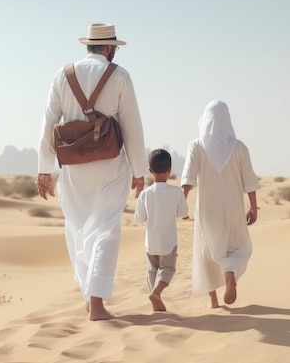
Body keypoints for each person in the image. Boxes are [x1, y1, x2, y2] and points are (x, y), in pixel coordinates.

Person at [36, 23, 147, 321]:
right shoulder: (120, 76)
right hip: (110, 163)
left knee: (77, 228)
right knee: (106, 230)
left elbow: (48, 121)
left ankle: (88, 296)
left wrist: (44, 169)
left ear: (89, 45)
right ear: (109, 48)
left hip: (72, 166)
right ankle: (96, 303)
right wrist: (139, 169)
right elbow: (132, 125)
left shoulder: (63, 74)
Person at [180, 100, 260, 308]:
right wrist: (253, 207)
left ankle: (213, 300)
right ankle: (231, 271)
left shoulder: (196, 146)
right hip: (234, 208)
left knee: (207, 251)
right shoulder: (239, 147)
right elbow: (250, 180)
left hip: (207, 209)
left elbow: (188, 179)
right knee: (238, 249)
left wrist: (181, 205)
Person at [134, 149, 189, 312]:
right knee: (168, 269)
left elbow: (139, 219)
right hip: (168, 243)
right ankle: (156, 293)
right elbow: (183, 213)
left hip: (150, 243)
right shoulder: (176, 192)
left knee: (152, 271)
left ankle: (154, 298)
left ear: (150, 171)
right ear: (169, 169)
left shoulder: (145, 194)